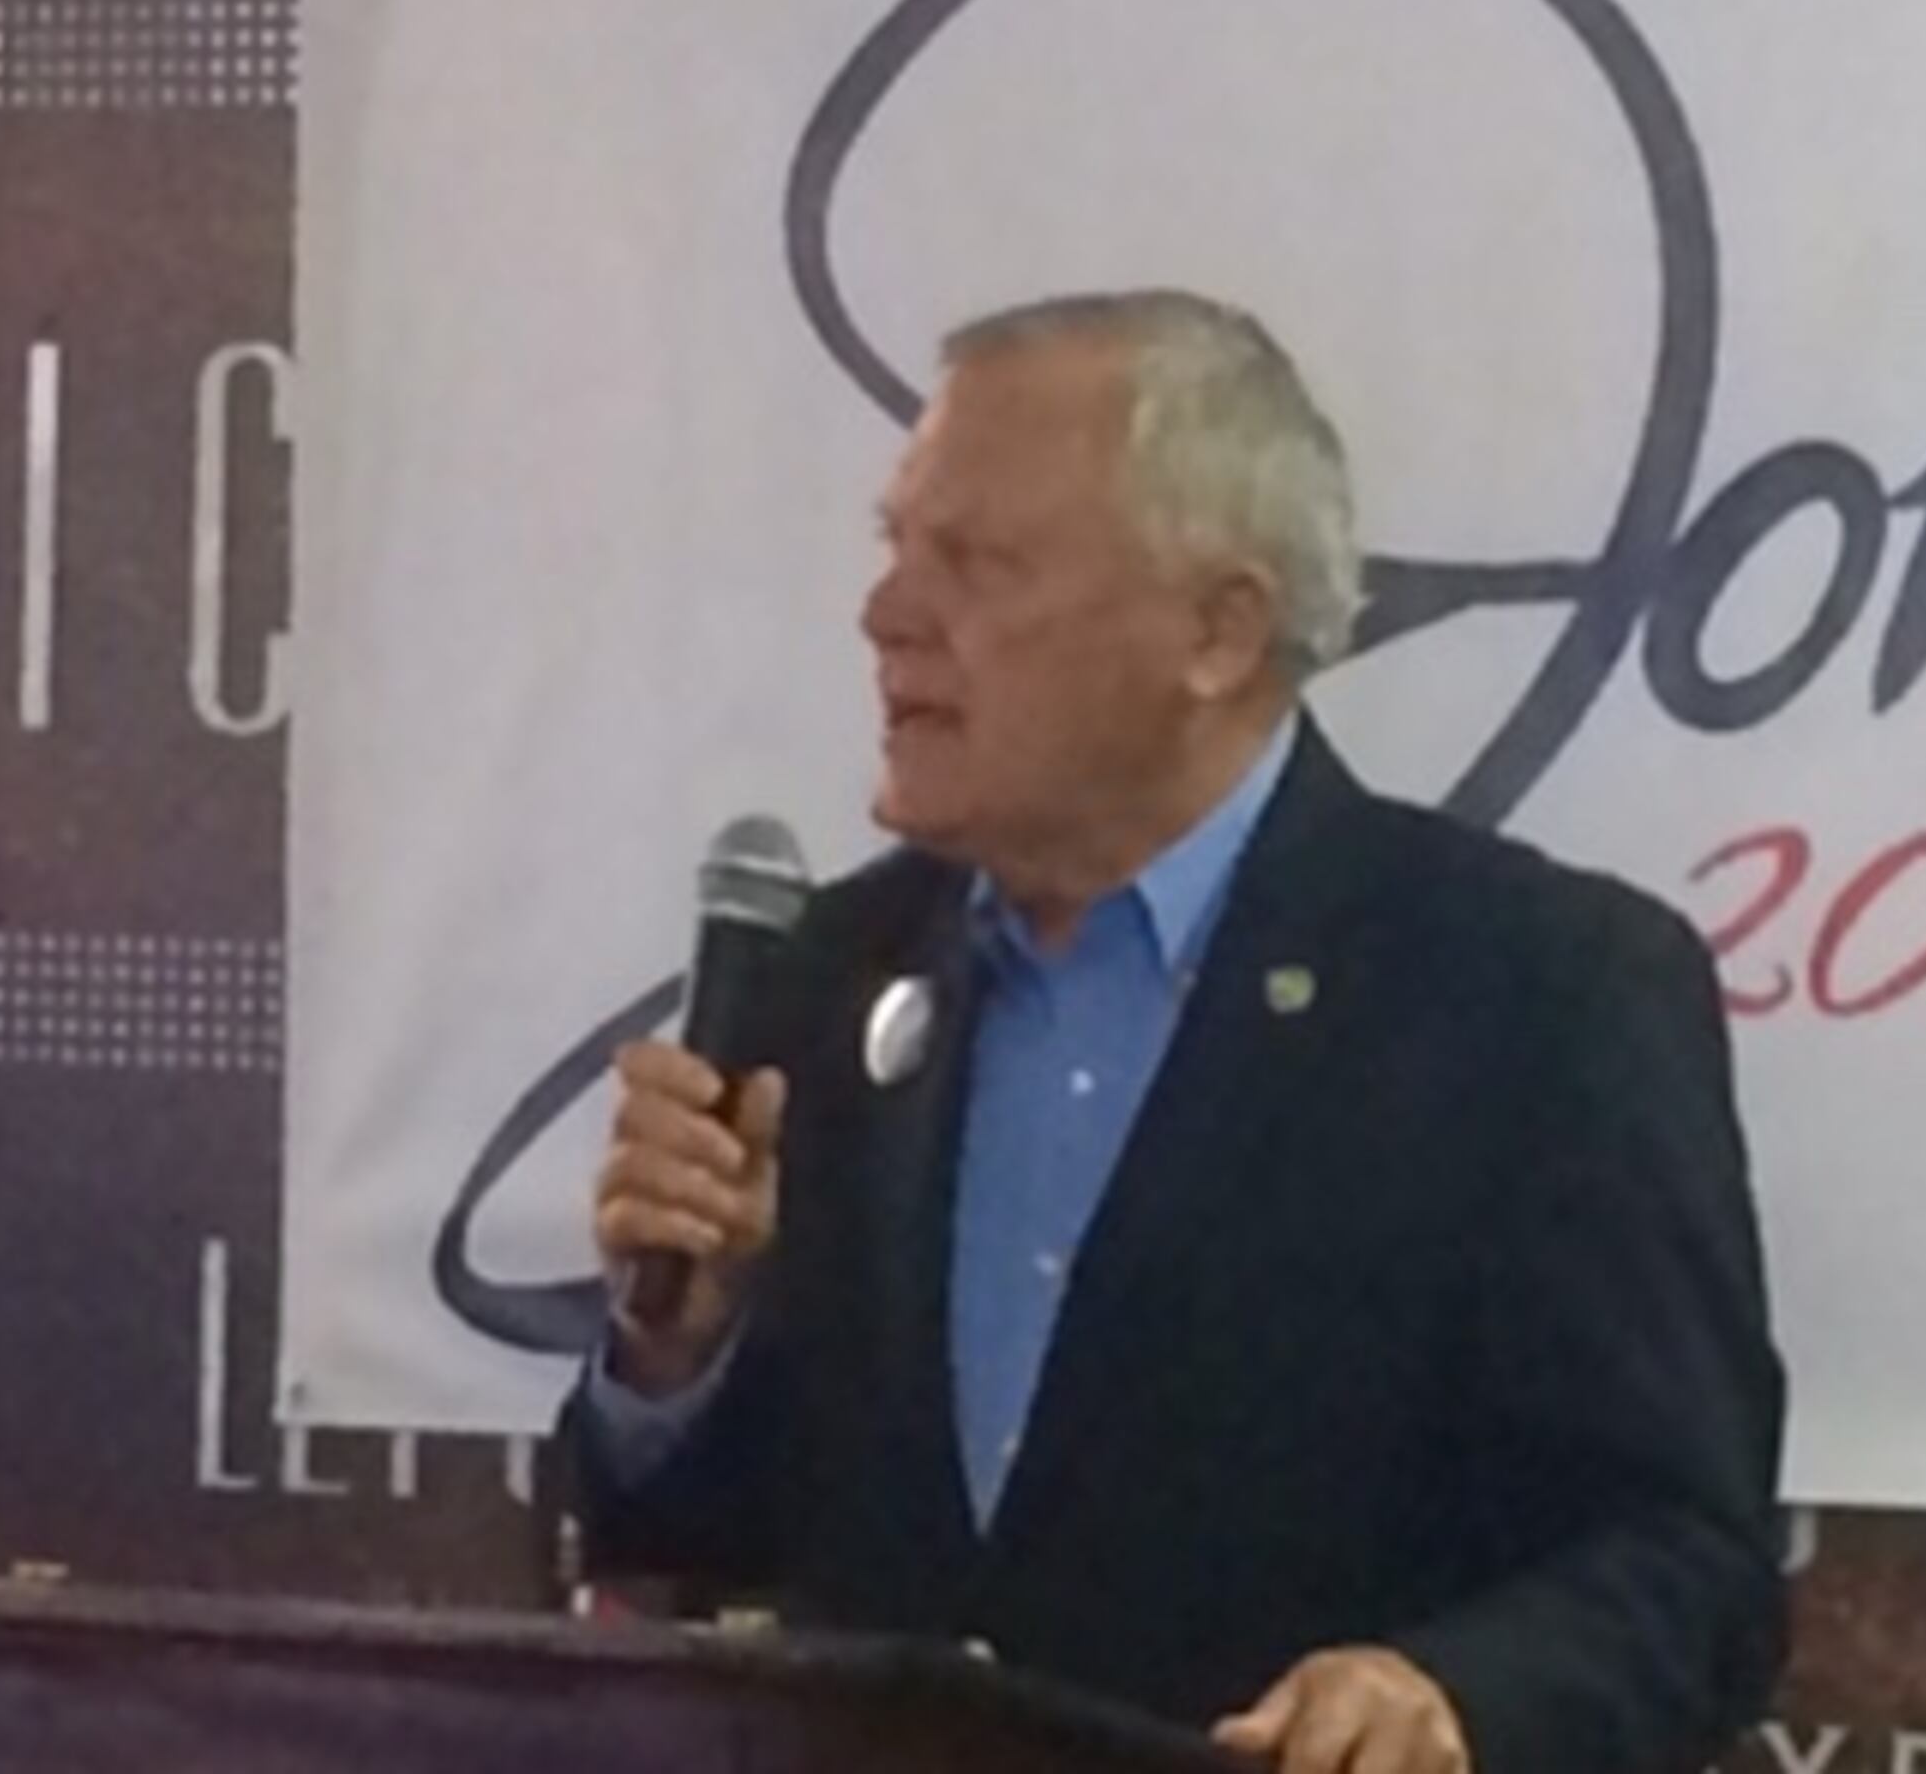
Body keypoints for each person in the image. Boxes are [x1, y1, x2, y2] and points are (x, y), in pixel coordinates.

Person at [560, 290, 1789, 1774]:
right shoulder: (828, 978)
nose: (888, 613)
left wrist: (1454, 1695)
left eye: (978, 560)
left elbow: (1685, 1561)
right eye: (898, 547)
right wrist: (675, 1353)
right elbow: (689, 1541)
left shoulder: (1538, 995)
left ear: (1216, 631)